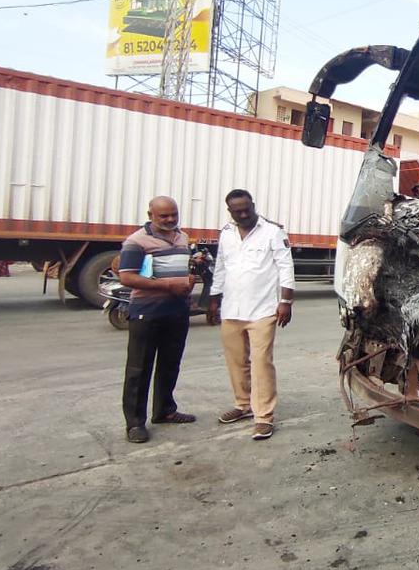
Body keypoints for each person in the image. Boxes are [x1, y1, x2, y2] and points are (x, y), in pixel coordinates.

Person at [208, 189, 295, 441]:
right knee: (236, 361)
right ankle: (243, 404)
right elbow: (221, 267)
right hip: (232, 309)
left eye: (247, 208)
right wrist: (214, 299)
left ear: (253, 205)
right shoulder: (226, 233)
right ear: (230, 211)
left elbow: (285, 267)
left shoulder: (272, 232)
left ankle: (263, 417)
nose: (244, 214)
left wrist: (286, 301)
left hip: (263, 310)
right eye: (238, 211)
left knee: (261, 363)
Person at [117, 196, 198, 443]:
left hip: (177, 312)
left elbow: (183, 269)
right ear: (150, 214)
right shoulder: (136, 241)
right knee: (139, 369)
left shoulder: (182, 237)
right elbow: (127, 277)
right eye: (164, 216)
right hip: (147, 312)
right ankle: (134, 424)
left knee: (170, 363)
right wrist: (169, 286)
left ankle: (164, 410)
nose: (170, 219)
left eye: (174, 214)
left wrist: (189, 278)